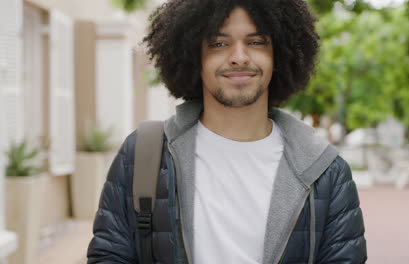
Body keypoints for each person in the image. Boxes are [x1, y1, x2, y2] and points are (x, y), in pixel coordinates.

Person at [87, 0, 367, 263]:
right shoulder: (143, 154)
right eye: (219, 43)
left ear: (279, 55)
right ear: (193, 58)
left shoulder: (327, 173)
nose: (238, 57)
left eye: (256, 42)